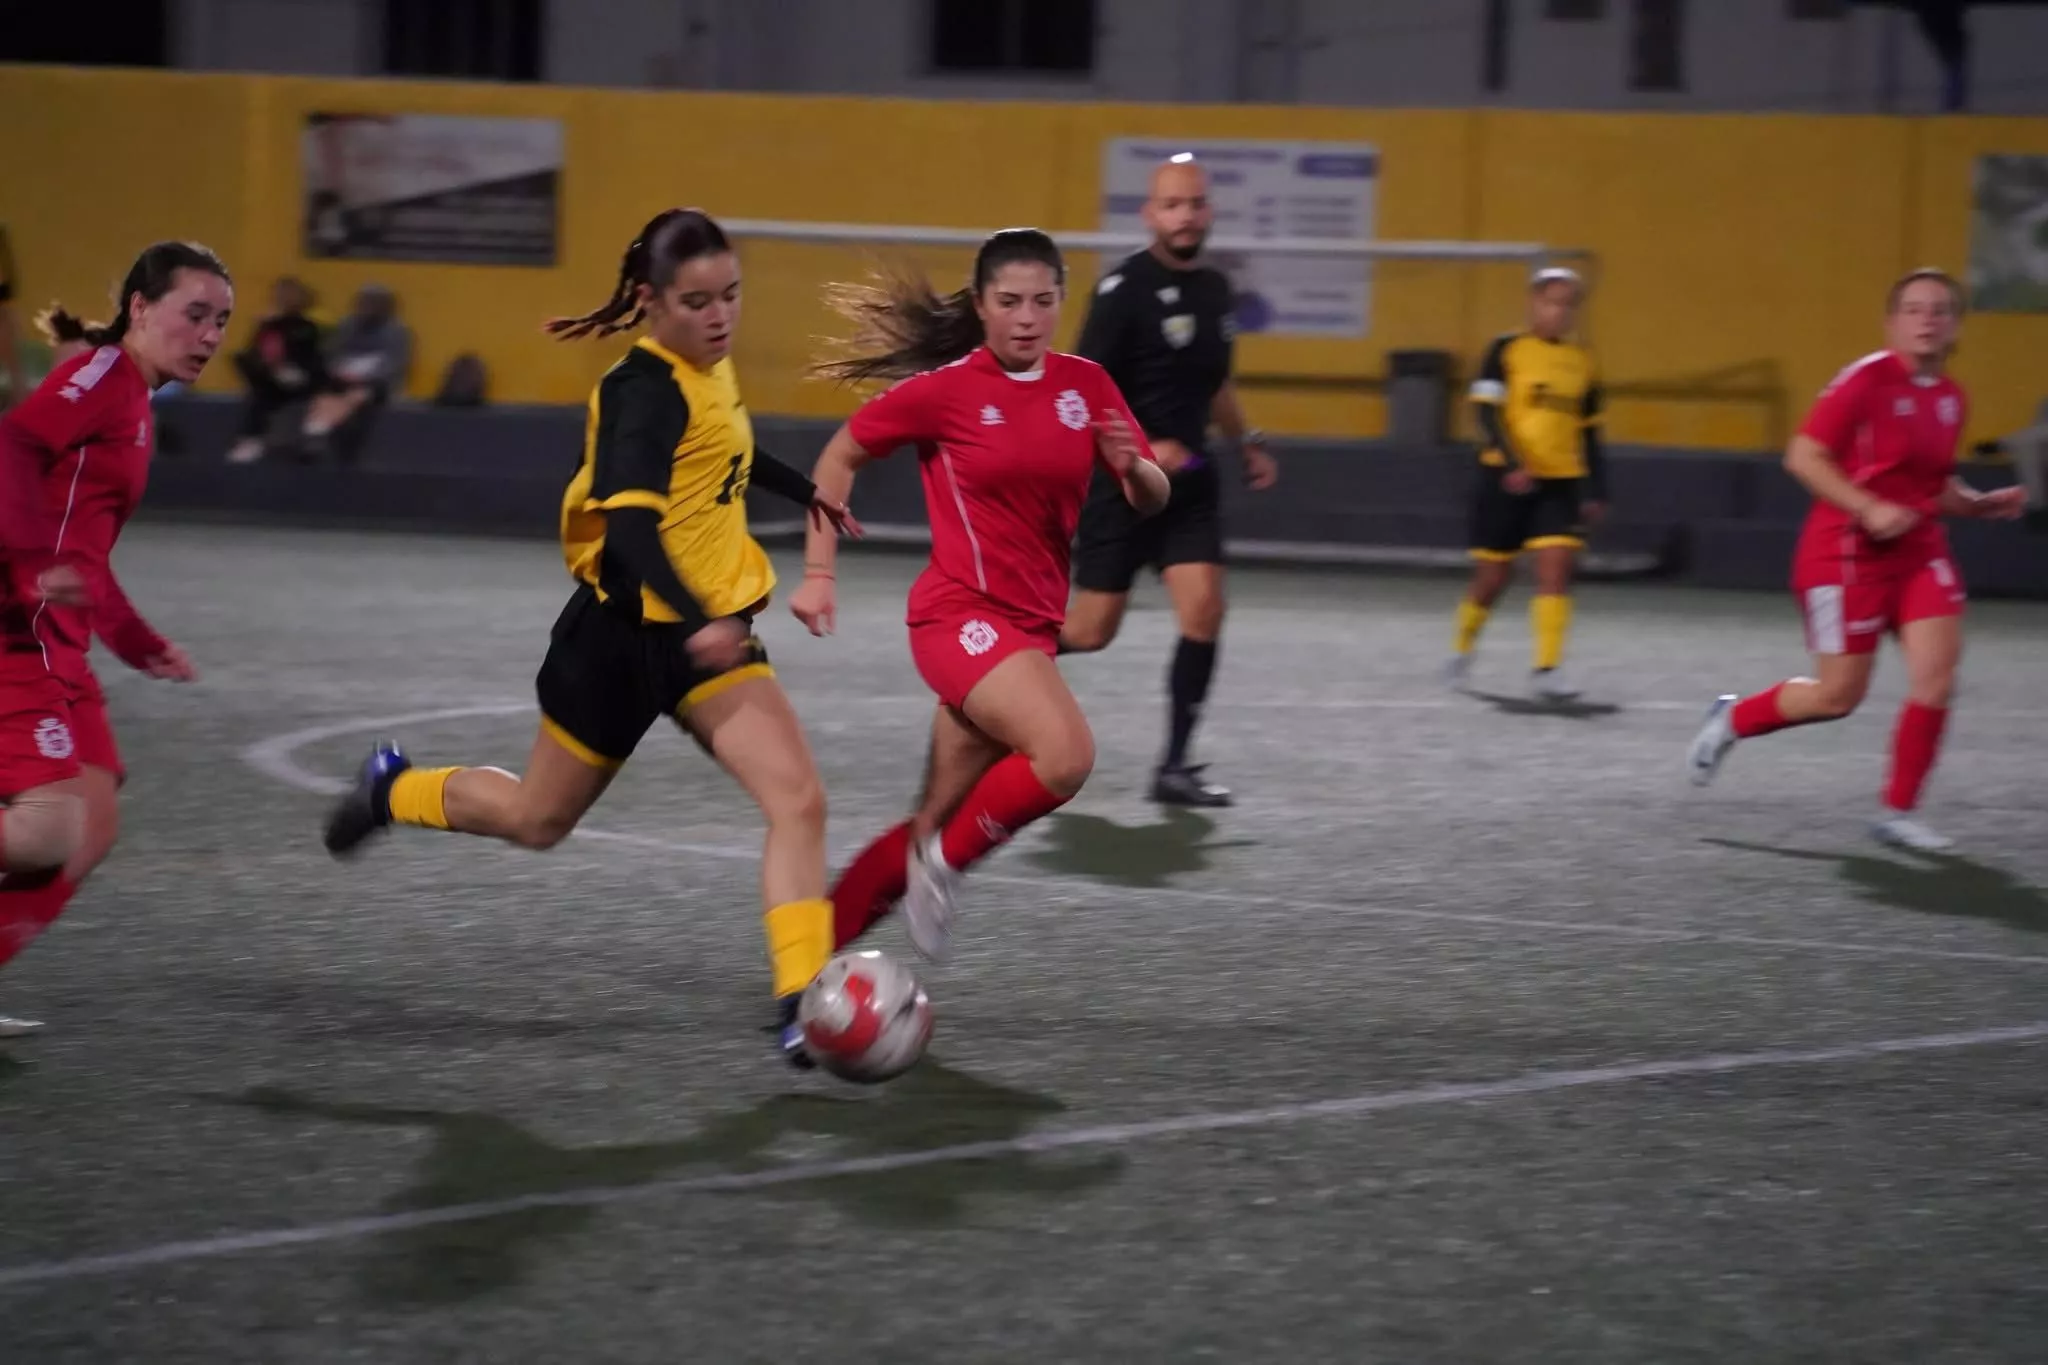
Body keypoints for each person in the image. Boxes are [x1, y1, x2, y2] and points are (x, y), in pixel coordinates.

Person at [320, 209, 859, 1068]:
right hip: (616, 642)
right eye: (697, 302)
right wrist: (701, 618)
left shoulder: (707, 366)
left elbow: (723, 450)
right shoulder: (639, 392)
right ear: (651, 301)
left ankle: (805, 1005)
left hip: (702, 642)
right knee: (537, 820)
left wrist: (806, 491)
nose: (720, 316)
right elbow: (632, 535)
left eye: (730, 295)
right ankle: (394, 789)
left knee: (799, 801)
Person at [792, 229, 1170, 963]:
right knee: (1065, 755)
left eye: (1043, 301)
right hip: (959, 617)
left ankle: (802, 972)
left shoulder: (1087, 385)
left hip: (1028, 633)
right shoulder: (946, 391)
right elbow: (840, 454)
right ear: (980, 305)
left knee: (933, 819)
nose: (1027, 317)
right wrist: (818, 572)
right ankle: (945, 866)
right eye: (1010, 301)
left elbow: (1149, 495)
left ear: (1061, 301)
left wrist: (1136, 470)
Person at [1687, 268, 2027, 851]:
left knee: (1938, 677)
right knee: (1837, 696)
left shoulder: (1951, 397)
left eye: (1940, 310)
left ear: (1956, 326)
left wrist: (1977, 504)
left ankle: (1898, 812)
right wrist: (1868, 508)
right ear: (1892, 323)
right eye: (1914, 309)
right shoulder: (1864, 380)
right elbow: (1804, 456)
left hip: (1918, 551)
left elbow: (1933, 485)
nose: (1927, 319)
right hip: (1843, 554)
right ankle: (1731, 719)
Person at [0, 241, 232, 1037]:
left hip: (60, 639)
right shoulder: (101, 378)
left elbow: (87, 550)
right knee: (45, 831)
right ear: (139, 307)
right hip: (17, 631)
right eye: (194, 314)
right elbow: (12, 444)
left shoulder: (134, 399)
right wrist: (28, 565)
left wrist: (135, 639)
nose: (210, 335)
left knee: (90, 825)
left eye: (221, 321)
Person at [1058, 153, 1279, 807]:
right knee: (1091, 631)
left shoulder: (1214, 289)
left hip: (1190, 487)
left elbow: (1216, 383)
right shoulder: (1121, 291)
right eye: (1172, 205)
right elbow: (1080, 393)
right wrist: (1138, 449)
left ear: (1209, 212)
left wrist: (1247, 441)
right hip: (1121, 485)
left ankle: (1174, 768)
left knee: (1205, 609)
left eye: (1195, 204)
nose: (1185, 216)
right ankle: (993, 661)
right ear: (1149, 215)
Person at [1444, 267, 1607, 701]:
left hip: (1561, 482)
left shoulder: (1583, 361)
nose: (1560, 312)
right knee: (1492, 578)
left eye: (1569, 304)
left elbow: (1591, 432)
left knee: (1556, 570)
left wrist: (1597, 489)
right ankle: (1461, 650)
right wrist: (1514, 463)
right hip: (1504, 479)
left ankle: (1547, 669)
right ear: (1534, 303)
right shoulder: (1505, 349)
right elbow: (1485, 413)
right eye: (1553, 302)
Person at [226, 276, 328, 464]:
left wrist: (292, 371)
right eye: (280, 294)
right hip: (271, 380)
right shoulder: (268, 326)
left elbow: (314, 359)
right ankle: (250, 440)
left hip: (303, 378)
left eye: (288, 294)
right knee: (256, 383)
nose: (283, 298)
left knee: (270, 392)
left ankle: (257, 439)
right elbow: (257, 353)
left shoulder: (309, 327)